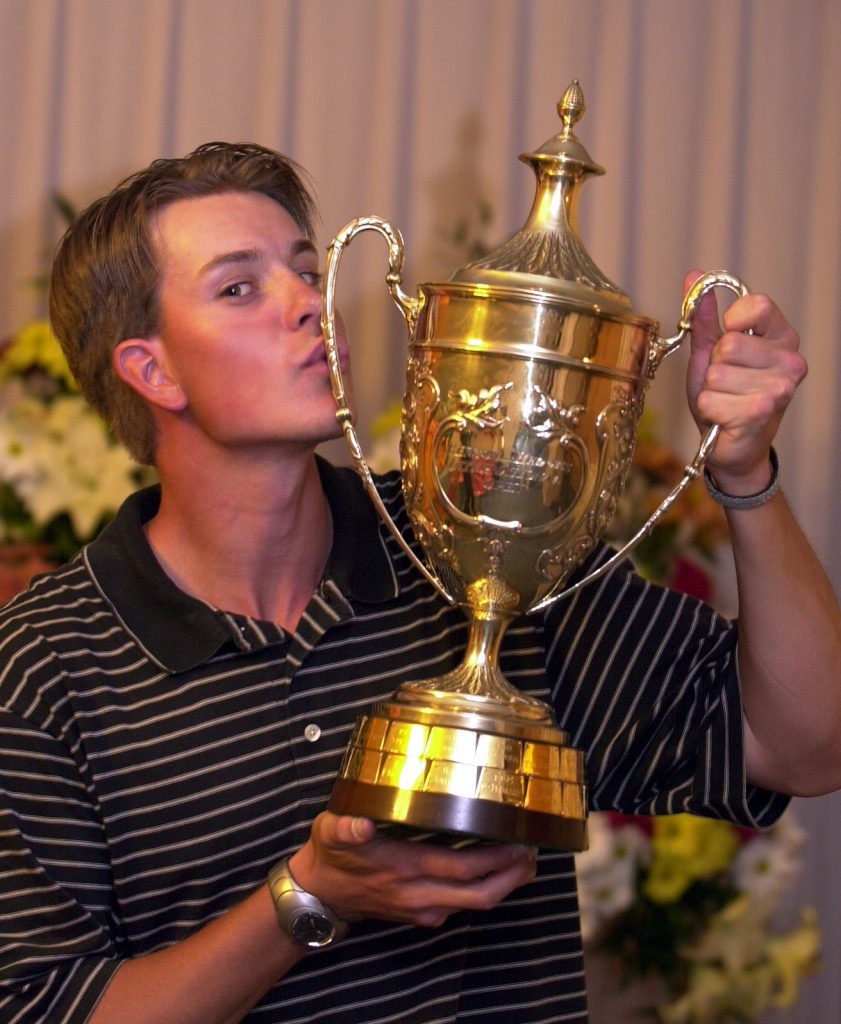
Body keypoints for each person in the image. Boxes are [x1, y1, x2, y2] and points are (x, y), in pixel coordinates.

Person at [1, 141, 839, 1024]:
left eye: (306, 269)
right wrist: (309, 897)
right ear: (151, 370)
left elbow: (808, 747)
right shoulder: (42, 667)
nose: (307, 304)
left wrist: (744, 473)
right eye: (239, 288)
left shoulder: (478, 534)